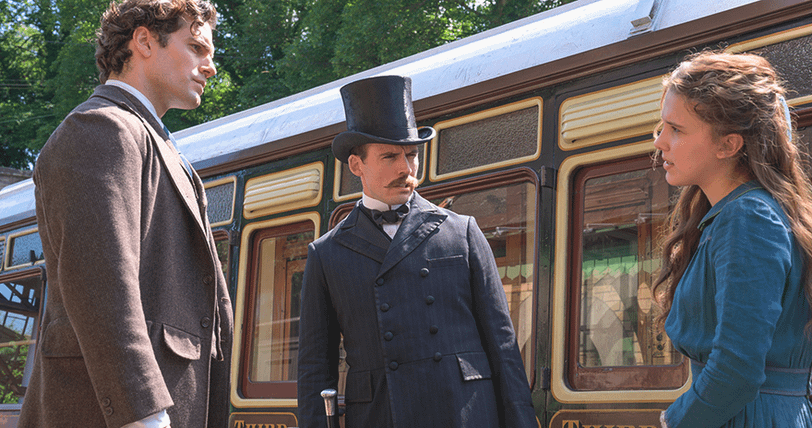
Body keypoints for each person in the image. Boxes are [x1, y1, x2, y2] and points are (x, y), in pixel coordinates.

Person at [19, 1, 233, 427]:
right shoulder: (100, 128)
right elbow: (102, 285)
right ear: (144, 41)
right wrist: (145, 413)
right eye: (196, 47)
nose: (210, 67)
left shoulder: (152, 142)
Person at [296, 75, 536, 428]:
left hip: (465, 413)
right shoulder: (326, 253)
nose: (406, 169)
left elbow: (503, 346)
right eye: (390, 156)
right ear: (357, 165)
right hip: (382, 417)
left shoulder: (462, 232)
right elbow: (315, 368)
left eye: (412, 155)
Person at [652, 51, 812, 428]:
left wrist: (675, 420)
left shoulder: (747, 217)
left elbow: (736, 370)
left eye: (676, 129)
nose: (660, 142)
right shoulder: (743, 213)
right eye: (662, 127)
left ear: (728, 145)